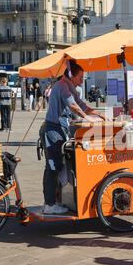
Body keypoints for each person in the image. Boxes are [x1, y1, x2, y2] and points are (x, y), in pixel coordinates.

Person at [40, 61, 105, 215]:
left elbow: (81, 104)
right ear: (71, 75)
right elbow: (73, 106)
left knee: (56, 167)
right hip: (52, 130)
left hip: (57, 129)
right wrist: (88, 119)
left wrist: (99, 114)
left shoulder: (69, 86)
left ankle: (54, 200)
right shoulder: (62, 86)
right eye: (81, 77)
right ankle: (49, 204)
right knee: (53, 168)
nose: (82, 80)